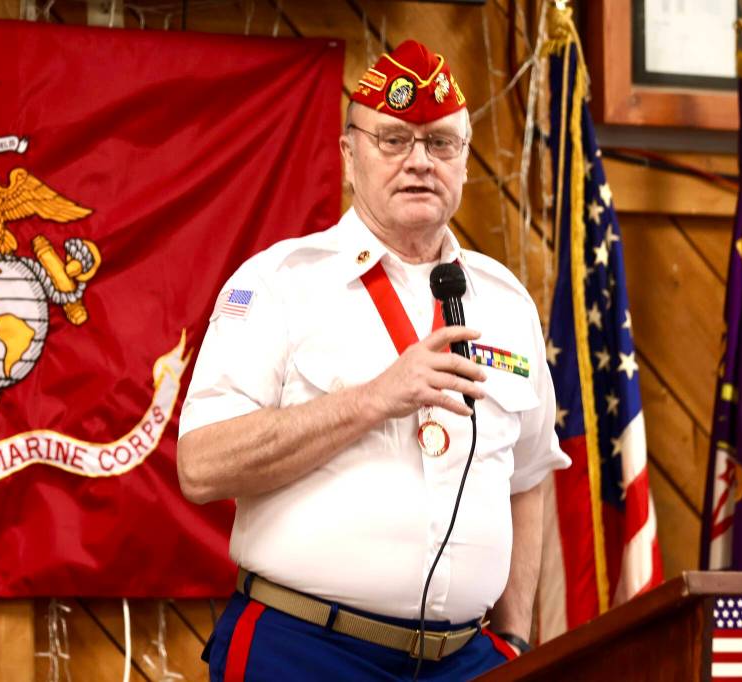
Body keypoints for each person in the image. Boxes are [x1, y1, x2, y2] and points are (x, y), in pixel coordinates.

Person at [177, 40, 570, 681]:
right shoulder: (279, 283)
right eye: (393, 140)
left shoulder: (505, 302)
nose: (419, 161)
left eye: (441, 143)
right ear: (348, 155)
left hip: (466, 661)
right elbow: (201, 466)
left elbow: (527, 478)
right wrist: (372, 399)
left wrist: (514, 639)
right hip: (305, 652)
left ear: (464, 160)